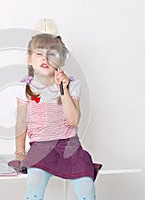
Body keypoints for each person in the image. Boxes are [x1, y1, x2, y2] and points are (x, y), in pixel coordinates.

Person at [8, 19, 102, 200]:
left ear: (61, 59)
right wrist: (19, 153)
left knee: (86, 187)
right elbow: (21, 123)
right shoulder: (23, 89)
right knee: (34, 185)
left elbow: (73, 121)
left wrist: (63, 89)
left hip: (70, 147)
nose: (45, 58)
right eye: (39, 53)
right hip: (40, 149)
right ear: (29, 58)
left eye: (52, 54)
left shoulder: (72, 85)